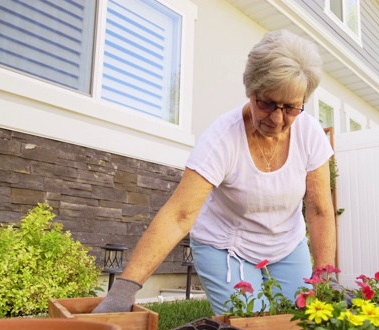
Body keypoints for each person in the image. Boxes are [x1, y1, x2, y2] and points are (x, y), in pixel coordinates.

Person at [93, 29, 337, 315]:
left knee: (305, 321)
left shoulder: (309, 133)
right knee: (251, 329)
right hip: (226, 246)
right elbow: (179, 215)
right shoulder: (222, 139)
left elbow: (320, 209)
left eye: (291, 108)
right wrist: (124, 289)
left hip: (286, 243)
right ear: (250, 90)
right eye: (267, 103)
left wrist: (325, 278)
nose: (277, 118)